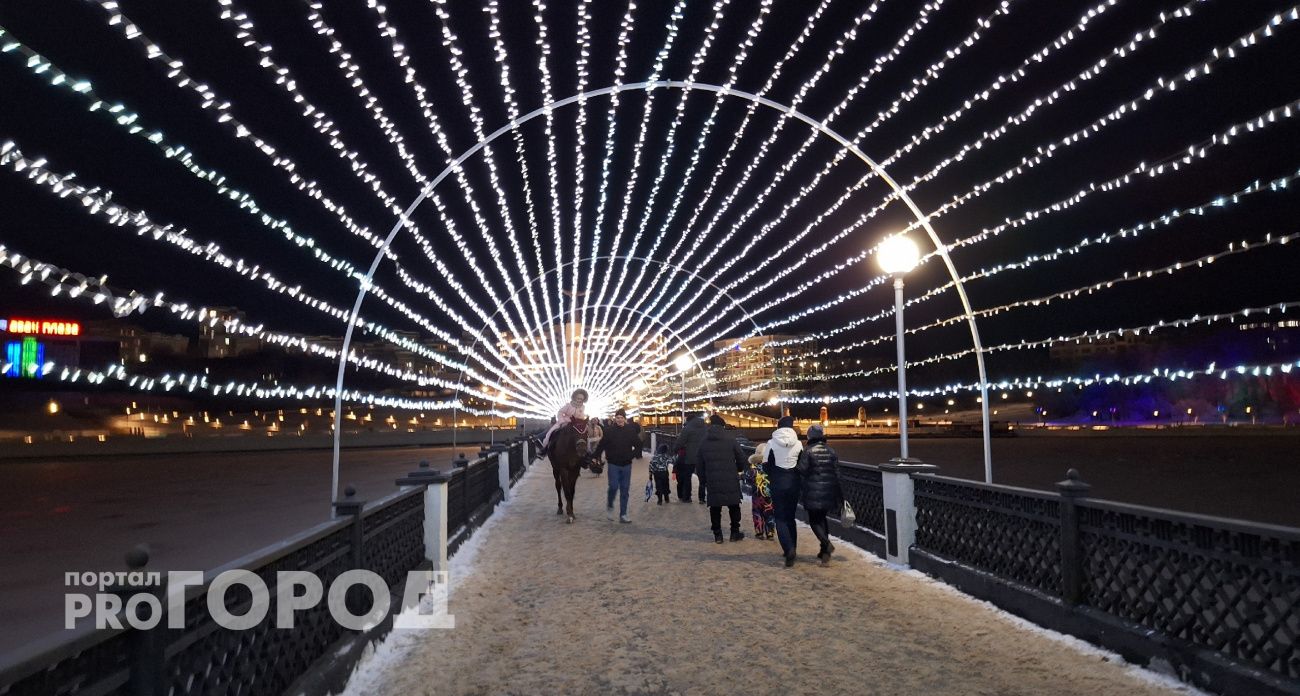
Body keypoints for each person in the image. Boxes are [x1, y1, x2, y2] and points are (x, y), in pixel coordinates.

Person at [697, 414, 747, 543]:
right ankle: (734, 532)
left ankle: (718, 535)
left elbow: (700, 464)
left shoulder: (704, 441)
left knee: (715, 507)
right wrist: (738, 469)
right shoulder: (731, 439)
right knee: (734, 505)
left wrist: (703, 480)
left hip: (712, 479)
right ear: (723, 425)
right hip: (730, 477)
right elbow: (741, 457)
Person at [798, 425, 843, 566]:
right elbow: (837, 473)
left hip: (813, 490)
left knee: (814, 521)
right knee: (823, 519)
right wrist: (840, 494)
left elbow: (802, 470)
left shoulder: (808, 451)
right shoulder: (831, 451)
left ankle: (826, 544)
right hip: (829, 490)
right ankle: (824, 553)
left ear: (809, 436)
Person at [765, 416, 803, 567]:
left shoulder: (771, 443)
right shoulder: (799, 443)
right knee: (790, 517)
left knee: (780, 518)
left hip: (778, 483)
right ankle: (793, 547)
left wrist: (774, 475)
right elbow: (802, 463)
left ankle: (788, 550)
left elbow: (766, 464)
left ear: (778, 427)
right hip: (794, 483)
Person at [594, 408, 640, 522]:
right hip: (613, 464)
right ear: (615, 418)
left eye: (621, 418)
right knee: (613, 487)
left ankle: (623, 514)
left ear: (625, 419)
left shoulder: (630, 431)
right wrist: (595, 456)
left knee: (625, 490)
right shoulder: (609, 431)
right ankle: (610, 505)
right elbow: (601, 445)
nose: (619, 420)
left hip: (626, 465)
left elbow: (639, 445)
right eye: (618, 418)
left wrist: (631, 455)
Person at [538, 388, 588, 459]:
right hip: (564, 422)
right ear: (575, 397)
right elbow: (560, 412)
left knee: (585, 434)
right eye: (578, 398)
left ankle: (586, 453)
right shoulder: (568, 405)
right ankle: (545, 449)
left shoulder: (583, 407)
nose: (579, 400)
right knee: (551, 432)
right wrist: (561, 421)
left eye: (581, 399)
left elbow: (581, 416)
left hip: (576, 424)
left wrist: (582, 421)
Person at [743, 442, 775, 540]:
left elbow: (747, 477)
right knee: (769, 513)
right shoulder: (771, 468)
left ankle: (759, 532)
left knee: (757, 513)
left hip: (756, 496)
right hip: (769, 495)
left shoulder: (753, 469)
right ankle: (770, 532)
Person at [675, 413, 706, 502]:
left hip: (690, 456)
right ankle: (702, 498)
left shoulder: (687, 428)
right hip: (702, 456)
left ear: (688, 420)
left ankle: (687, 497)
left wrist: (675, 449)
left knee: (687, 477)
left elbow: (680, 441)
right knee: (702, 478)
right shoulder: (704, 427)